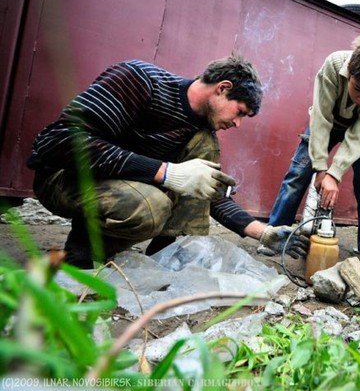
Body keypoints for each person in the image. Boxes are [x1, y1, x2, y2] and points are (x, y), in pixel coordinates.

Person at [27, 55, 307, 268]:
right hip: (63, 177)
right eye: (240, 112)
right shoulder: (140, 81)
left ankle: (166, 255)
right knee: (152, 206)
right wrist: (165, 172)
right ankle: (82, 256)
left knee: (203, 146)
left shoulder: (200, 132)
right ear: (222, 88)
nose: (237, 123)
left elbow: (211, 195)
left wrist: (264, 233)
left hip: (118, 185)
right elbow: (58, 142)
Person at [262, 32, 360, 277]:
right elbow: (321, 118)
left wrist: (334, 175)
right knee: (298, 172)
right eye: (358, 89)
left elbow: (359, 136)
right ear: (350, 71)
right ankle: (274, 234)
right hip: (325, 120)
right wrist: (320, 168)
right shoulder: (335, 64)